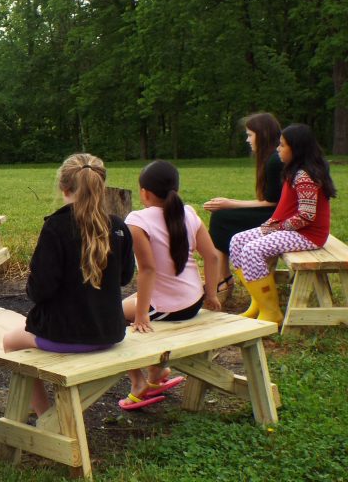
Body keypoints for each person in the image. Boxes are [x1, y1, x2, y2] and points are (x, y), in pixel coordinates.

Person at [0, 154, 134, 416]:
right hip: (110, 331)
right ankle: (43, 413)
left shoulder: (56, 227)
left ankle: (45, 416)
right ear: (101, 185)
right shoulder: (117, 226)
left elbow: (40, 290)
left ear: (64, 187)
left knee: (10, 341)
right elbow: (124, 278)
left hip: (66, 335)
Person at [120, 160, 223, 410]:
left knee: (108, 317)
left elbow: (147, 270)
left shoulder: (137, 220)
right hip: (193, 300)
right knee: (125, 305)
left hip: (168, 307)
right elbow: (212, 257)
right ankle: (157, 373)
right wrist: (211, 294)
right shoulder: (188, 212)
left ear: (144, 193)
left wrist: (142, 314)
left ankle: (138, 382)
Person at [229, 124, 336, 325]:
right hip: (294, 230)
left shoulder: (305, 176)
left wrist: (276, 227)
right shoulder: (294, 171)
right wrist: (272, 225)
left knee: (252, 250)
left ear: (296, 149)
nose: (278, 149)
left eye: (282, 145)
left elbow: (306, 216)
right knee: (237, 241)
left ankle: (271, 313)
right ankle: (258, 303)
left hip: (308, 234)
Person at [204, 113, 283, 306]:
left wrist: (231, 203)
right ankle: (224, 278)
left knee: (222, 218)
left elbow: (273, 202)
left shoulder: (275, 161)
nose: (247, 140)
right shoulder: (270, 158)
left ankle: (224, 280)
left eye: (250, 135)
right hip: (276, 213)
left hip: (280, 218)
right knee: (221, 217)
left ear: (262, 135)